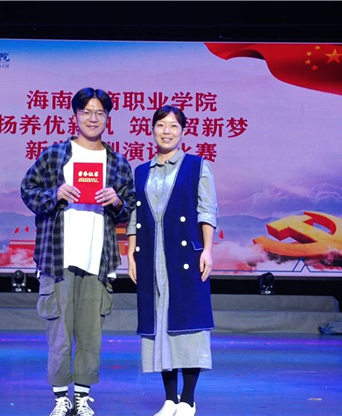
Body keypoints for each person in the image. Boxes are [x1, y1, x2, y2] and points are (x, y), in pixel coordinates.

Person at [21, 87, 135, 416]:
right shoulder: (56, 155)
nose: (92, 118)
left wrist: (118, 202)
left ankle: (83, 396)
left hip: (97, 259)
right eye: (86, 111)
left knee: (90, 334)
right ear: (75, 116)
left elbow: (130, 209)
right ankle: (61, 398)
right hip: (58, 258)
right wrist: (55, 193)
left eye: (99, 112)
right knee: (59, 333)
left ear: (108, 118)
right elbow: (27, 190)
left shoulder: (117, 162)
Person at [127, 105, 219, 416]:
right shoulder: (142, 171)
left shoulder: (197, 166)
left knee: (188, 323)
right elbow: (135, 216)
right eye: (161, 125)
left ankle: (188, 399)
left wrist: (207, 249)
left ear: (183, 132)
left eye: (173, 126)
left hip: (185, 258)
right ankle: (169, 399)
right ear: (152, 129)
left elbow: (207, 210)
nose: (166, 131)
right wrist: (131, 253)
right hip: (152, 257)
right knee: (160, 323)